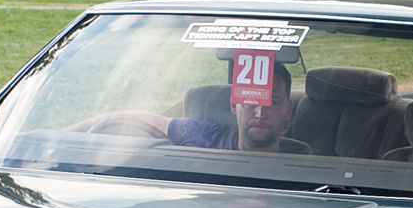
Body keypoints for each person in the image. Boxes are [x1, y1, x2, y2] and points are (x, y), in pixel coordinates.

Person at [67, 62, 310, 154]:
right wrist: (59, 136)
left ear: (287, 110)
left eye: (272, 103)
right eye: (249, 101)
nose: (259, 113)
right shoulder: (201, 135)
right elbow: (125, 117)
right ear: (234, 105)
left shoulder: (301, 163)